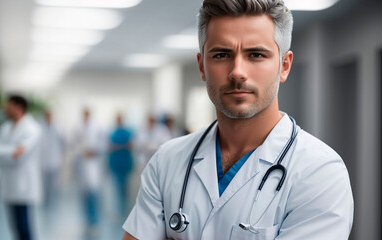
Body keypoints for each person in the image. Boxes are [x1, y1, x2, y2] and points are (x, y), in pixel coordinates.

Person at [122, 0, 354, 239]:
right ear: (202, 66)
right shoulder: (166, 161)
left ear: (284, 66)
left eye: (256, 54)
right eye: (222, 54)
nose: (237, 72)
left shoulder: (320, 173)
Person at [0, 95, 42, 240]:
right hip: (9, 185)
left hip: (24, 187)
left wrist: (4, 152)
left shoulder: (32, 128)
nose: (5, 109)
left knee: (25, 228)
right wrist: (11, 151)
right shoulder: (5, 127)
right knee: (15, 228)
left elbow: (19, 156)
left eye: (8, 106)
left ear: (19, 108)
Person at [71, 108, 105, 234]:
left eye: (88, 112)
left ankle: (94, 220)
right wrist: (81, 152)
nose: (86, 114)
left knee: (94, 192)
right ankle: (86, 219)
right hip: (81, 163)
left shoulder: (98, 127)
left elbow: (103, 144)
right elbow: (73, 144)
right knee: (83, 194)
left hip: (94, 163)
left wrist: (93, 151)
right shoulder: (77, 127)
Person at [108, 113, 134, 220]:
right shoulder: (113, 133)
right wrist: (122, 146)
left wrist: (119, 146)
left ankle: (125, 208)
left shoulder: (127, 132)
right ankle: (119, 209)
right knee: (117, 187)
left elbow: (131, 145)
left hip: (125, 163)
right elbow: (110, 147)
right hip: (116, 163)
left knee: (125, 187)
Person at [40, 110, 66, 209]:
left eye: (49, 115)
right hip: (44, 159)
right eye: (46, 116)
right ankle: (45, 201)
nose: (48, 117)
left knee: (55, 183)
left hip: (55, 159)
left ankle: (54, 202)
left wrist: (60, 154)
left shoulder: (58, 128)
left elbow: (63, 142)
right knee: (44, 183)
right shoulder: (40, 128)